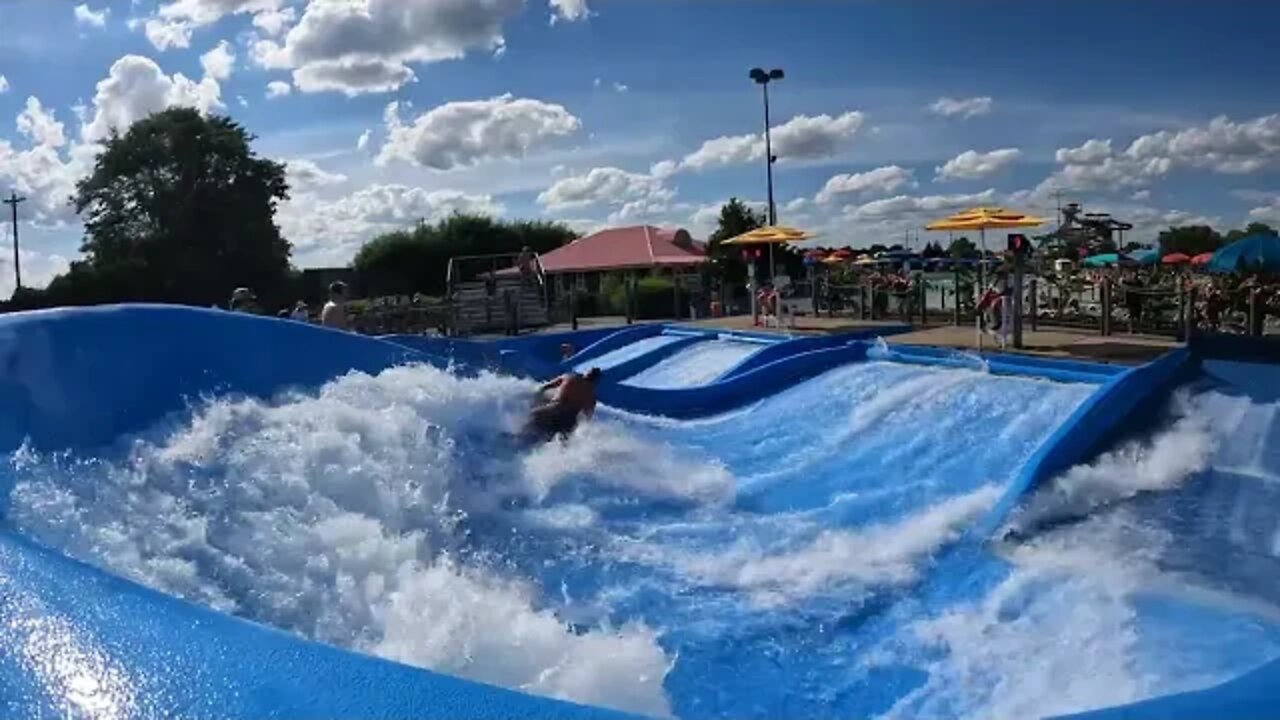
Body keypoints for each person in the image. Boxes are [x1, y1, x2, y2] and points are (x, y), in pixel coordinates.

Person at [524, 368, 602, 441]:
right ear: (596, 381)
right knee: (557, 438)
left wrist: (535, 399)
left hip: (555, 408)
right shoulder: (591, 398)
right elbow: (586, 419)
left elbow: (544, 387)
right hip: (569, 420)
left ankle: (519, 438)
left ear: (585, 373)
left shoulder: (569, 377)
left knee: (532, 420)